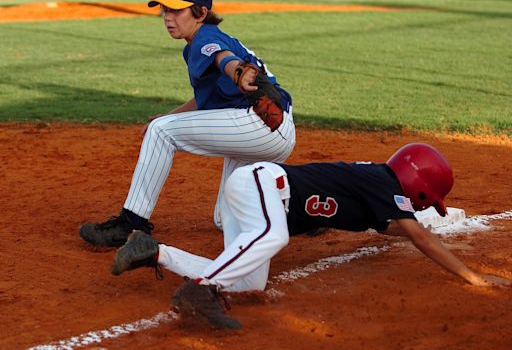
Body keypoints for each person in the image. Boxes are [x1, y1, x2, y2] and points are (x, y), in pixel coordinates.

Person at [109, 143, 512, 329]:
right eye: (426, 200)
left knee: (249, 281)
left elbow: (399, 229)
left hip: (255, 192)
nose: (422, 207)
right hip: (263, 185)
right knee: (274, 235)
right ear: (417, 184)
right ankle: (201, 289)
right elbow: (418, 236)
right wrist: (473, 277)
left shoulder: (376, 191)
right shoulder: (383, 182)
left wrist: (413, 230)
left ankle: (155, 253)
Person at [79, 0, 295, 248]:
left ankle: (131, 223)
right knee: (227, 216)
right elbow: (204, 99)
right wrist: (169, 115)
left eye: (176, 10)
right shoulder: (195, 44)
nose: (168, 18)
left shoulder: (206, 36)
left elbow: (223, 58)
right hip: (265, 129)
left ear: (201, 12)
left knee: (162, 133)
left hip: (260, 122)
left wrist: (237, 71)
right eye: (164, 10)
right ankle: (299, 211)